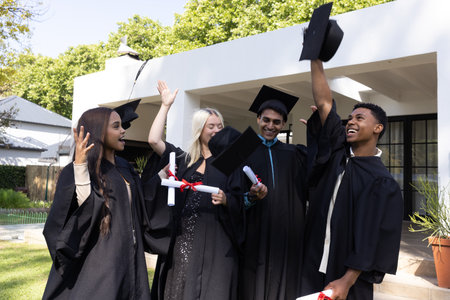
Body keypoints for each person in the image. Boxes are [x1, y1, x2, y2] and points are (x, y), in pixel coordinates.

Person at [300, 59, 403, 300]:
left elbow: (372, 239)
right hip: (313, 265)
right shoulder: (338, 155)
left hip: (346, 277)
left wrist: (347, 280)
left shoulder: (381, 182)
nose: (351, 122)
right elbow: (325, 102)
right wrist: (315, 59)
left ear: (378, 128)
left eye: (359, 118)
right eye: (350, 118)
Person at [144, 80, 257, 300]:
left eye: (219, 126)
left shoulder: (232, 163)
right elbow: (153, 140)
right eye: (210, 126)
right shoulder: (185, 161)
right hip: (184, 239)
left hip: (217, 241)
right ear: (200, 130)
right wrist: (165, 106)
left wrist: (226, 200)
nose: (216, 130)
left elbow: (243, 202)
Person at [42, 106, 154, 299]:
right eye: (116, 126)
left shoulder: (125, 167)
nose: (123, 130)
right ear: (99, 131)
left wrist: (160, 176)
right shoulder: (76, 170)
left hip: (129, 255)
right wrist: (81, 167)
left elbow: (140, 202)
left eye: (121, 126)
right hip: (100, 259)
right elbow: (83, 211)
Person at [239, 85, 308, 300]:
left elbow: (317, 172)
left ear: (284, 124)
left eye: (276, 122)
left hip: (285, 234)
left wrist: (318, 132)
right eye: (266, 120)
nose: (270, 126)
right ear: (258, 119)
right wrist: (249, 198)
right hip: (254, 229)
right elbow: (229, 193)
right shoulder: (242, 149)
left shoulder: (293, 153)